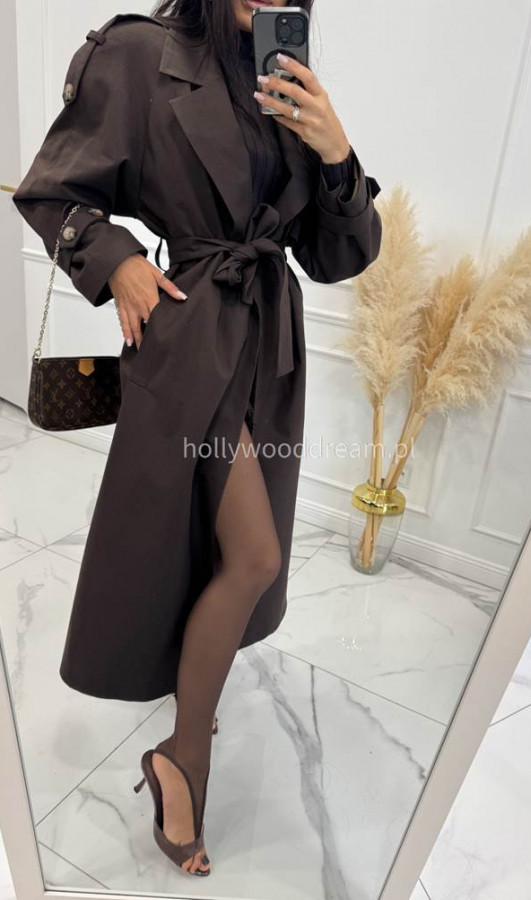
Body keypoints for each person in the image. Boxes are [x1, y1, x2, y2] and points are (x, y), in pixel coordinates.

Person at [13, 0, 382, 877]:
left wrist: (335, 153)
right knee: (254, 555)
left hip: (266, 349)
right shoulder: (141, 54)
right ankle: (181, 760)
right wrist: (117, 261)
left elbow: (337, 257)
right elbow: (51, 189)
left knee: (216, 548)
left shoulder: (287, 85)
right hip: (190, 348)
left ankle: (194, 692)